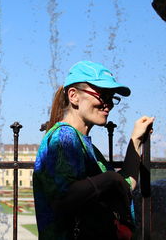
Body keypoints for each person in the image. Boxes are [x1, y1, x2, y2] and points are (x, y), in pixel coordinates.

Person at [33, 61, 154, 240]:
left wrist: (135, 139)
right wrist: (109, 178)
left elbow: (126, 185)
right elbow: (63, 200)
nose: (108, 105)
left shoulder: (86, 145)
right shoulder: (64, 137)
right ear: (73, 96)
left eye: (111, 97)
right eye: (102, 95)